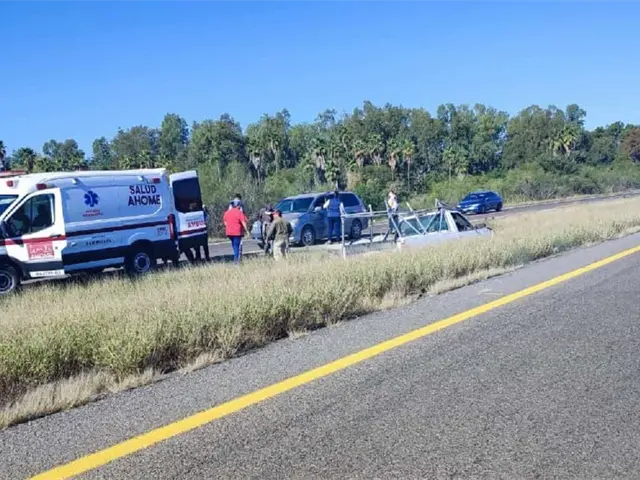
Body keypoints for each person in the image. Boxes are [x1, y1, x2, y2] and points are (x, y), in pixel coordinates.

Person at [223, 199, 249, 263]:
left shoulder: (227, 212)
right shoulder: (239, 212)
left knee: (234, 245)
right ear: (238, 205)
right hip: (237, 233)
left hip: (229, 232)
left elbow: (225, 222)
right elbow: (243, 222)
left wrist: (229, 226)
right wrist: (247, 230)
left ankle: (236, 258)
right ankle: (236, 261)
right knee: (236, 246)